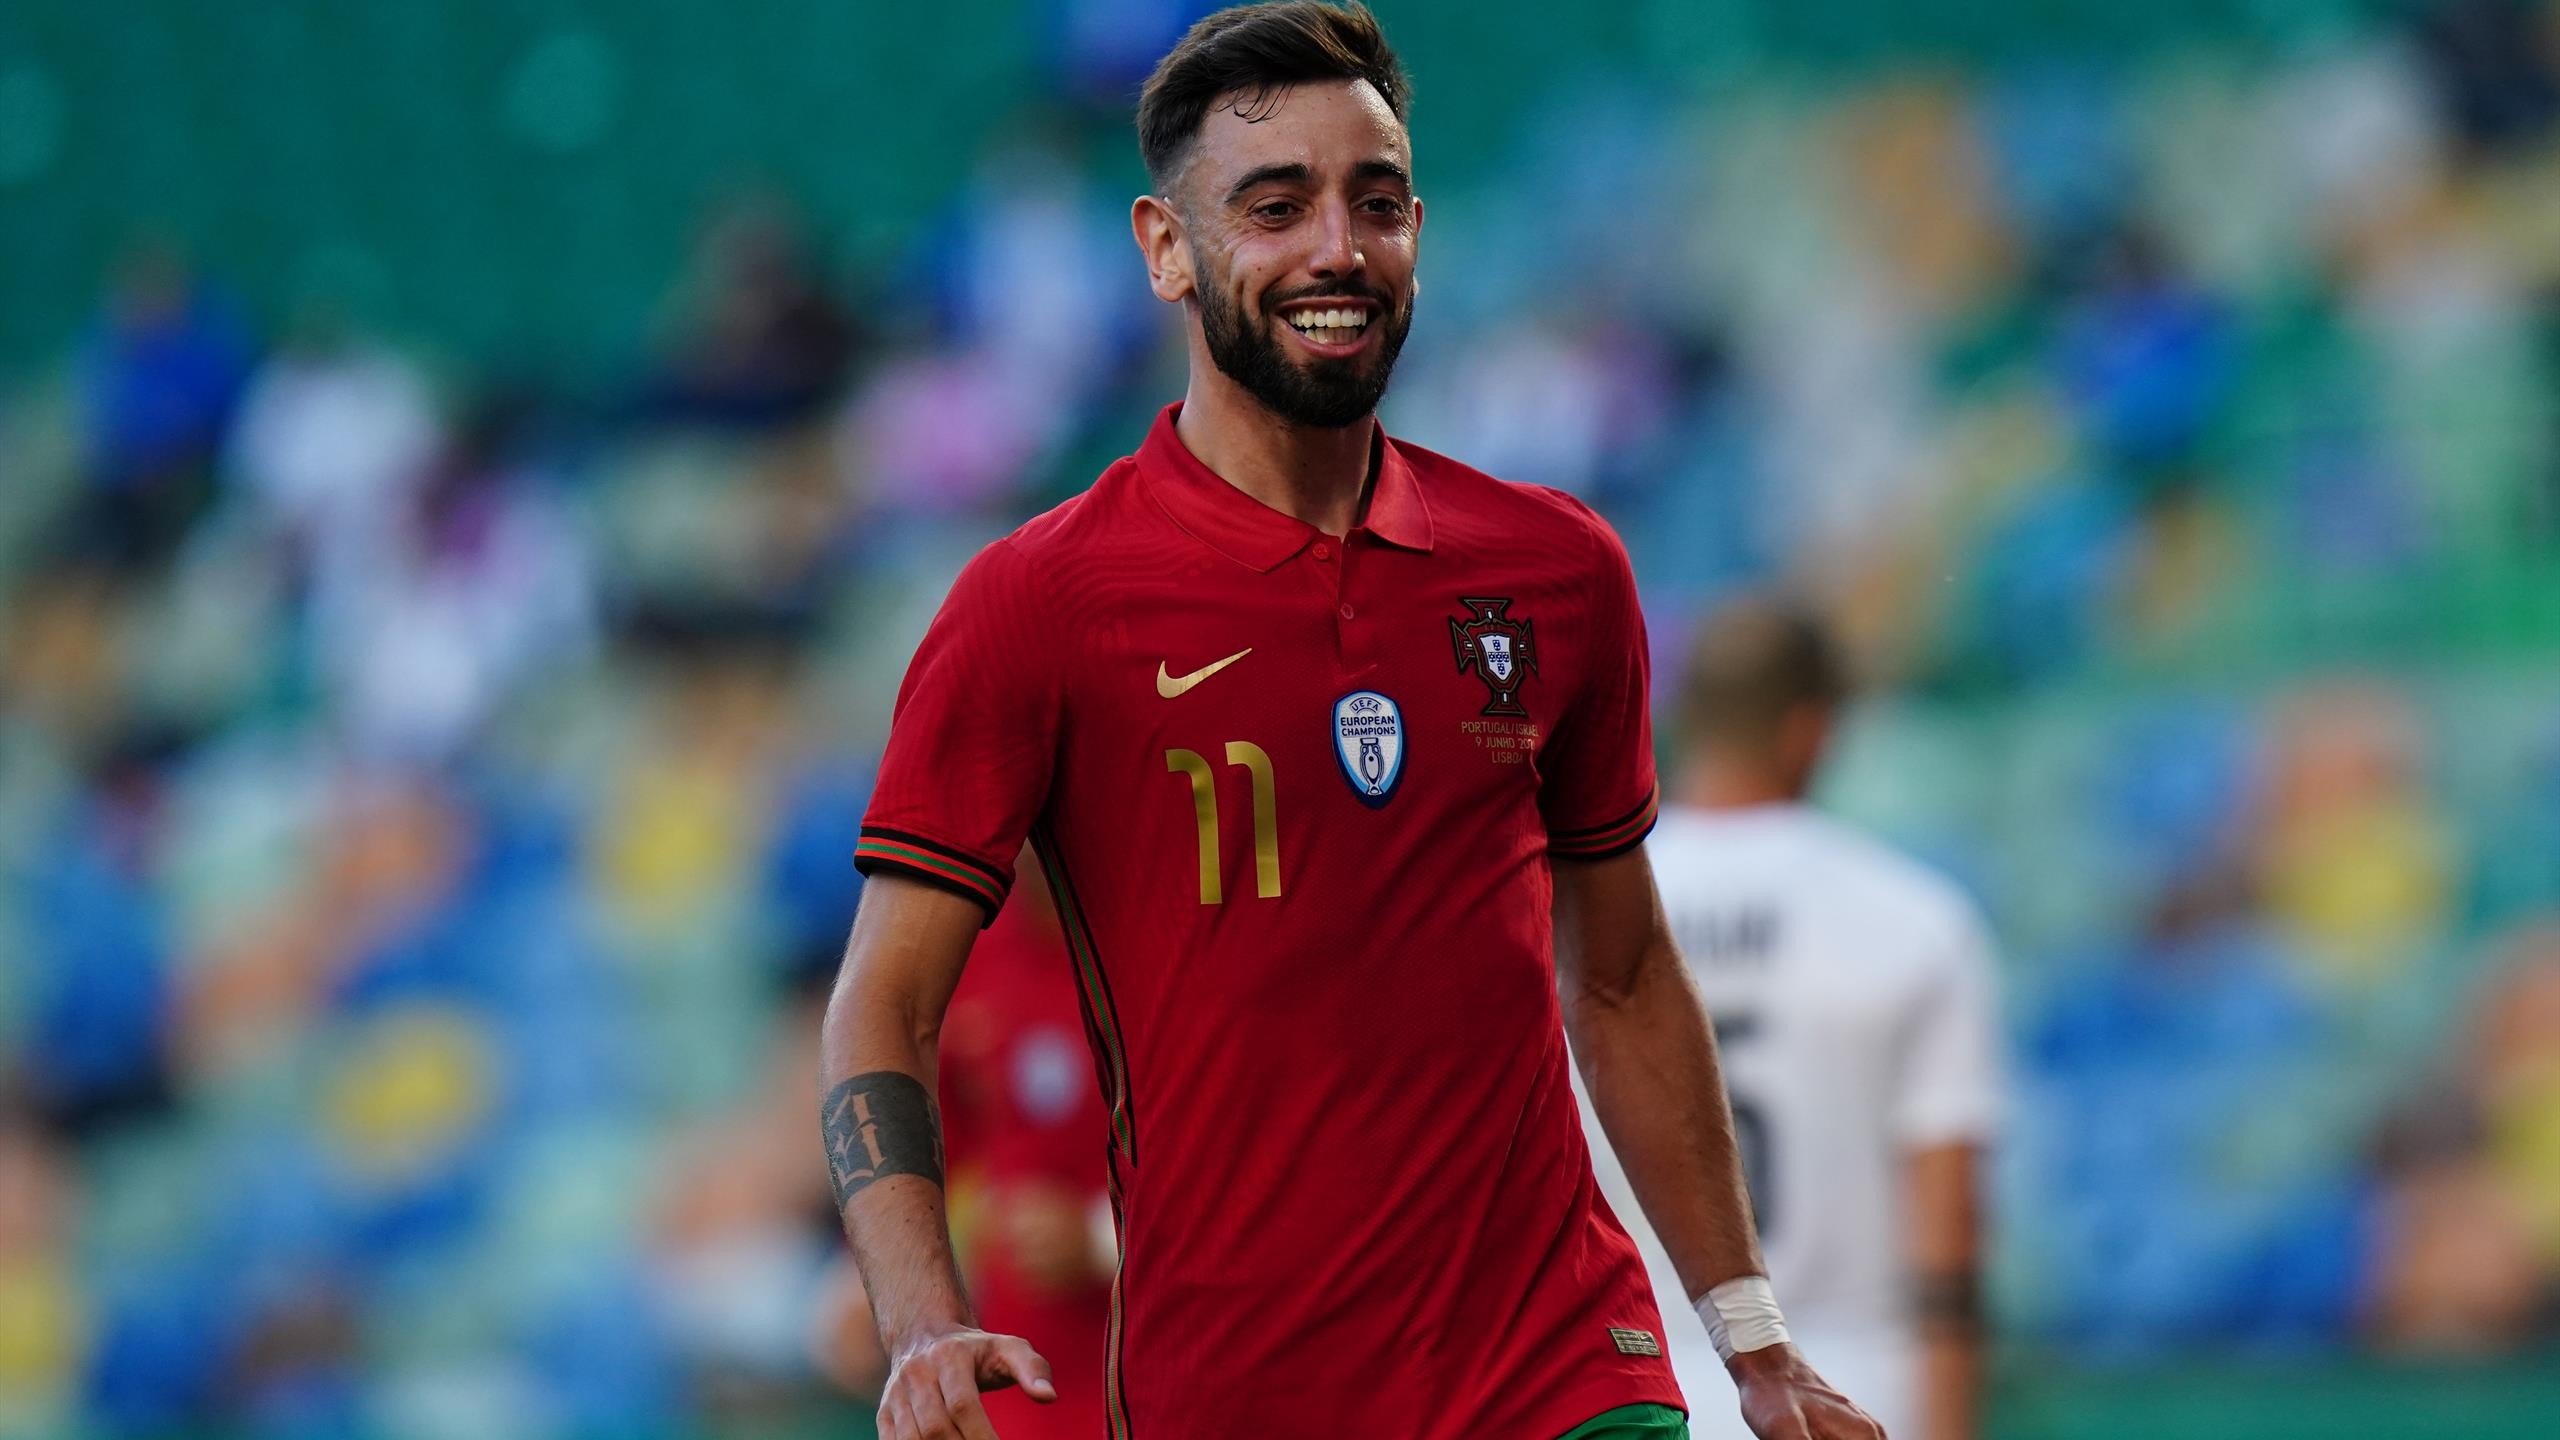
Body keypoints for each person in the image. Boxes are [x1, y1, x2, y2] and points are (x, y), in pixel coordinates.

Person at [819, 5, 1880, 1438]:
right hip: (1243, 1393)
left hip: (1565, 1371)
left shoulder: (1557, 569)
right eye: (1275, 206)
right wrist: (920, 1322)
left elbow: (1620, 976)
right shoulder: (1039, 604)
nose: (1337, 248)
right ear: (1165, 248)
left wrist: (1752, 1344)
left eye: (1375, 204)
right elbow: (883, 1003)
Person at [1584, 598, 2003, 1440]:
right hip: (1855, 1392)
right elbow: (1948, 1242)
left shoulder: (1584, 922)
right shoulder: (1916, 919)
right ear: (1813, 731)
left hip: (1642, 1386)